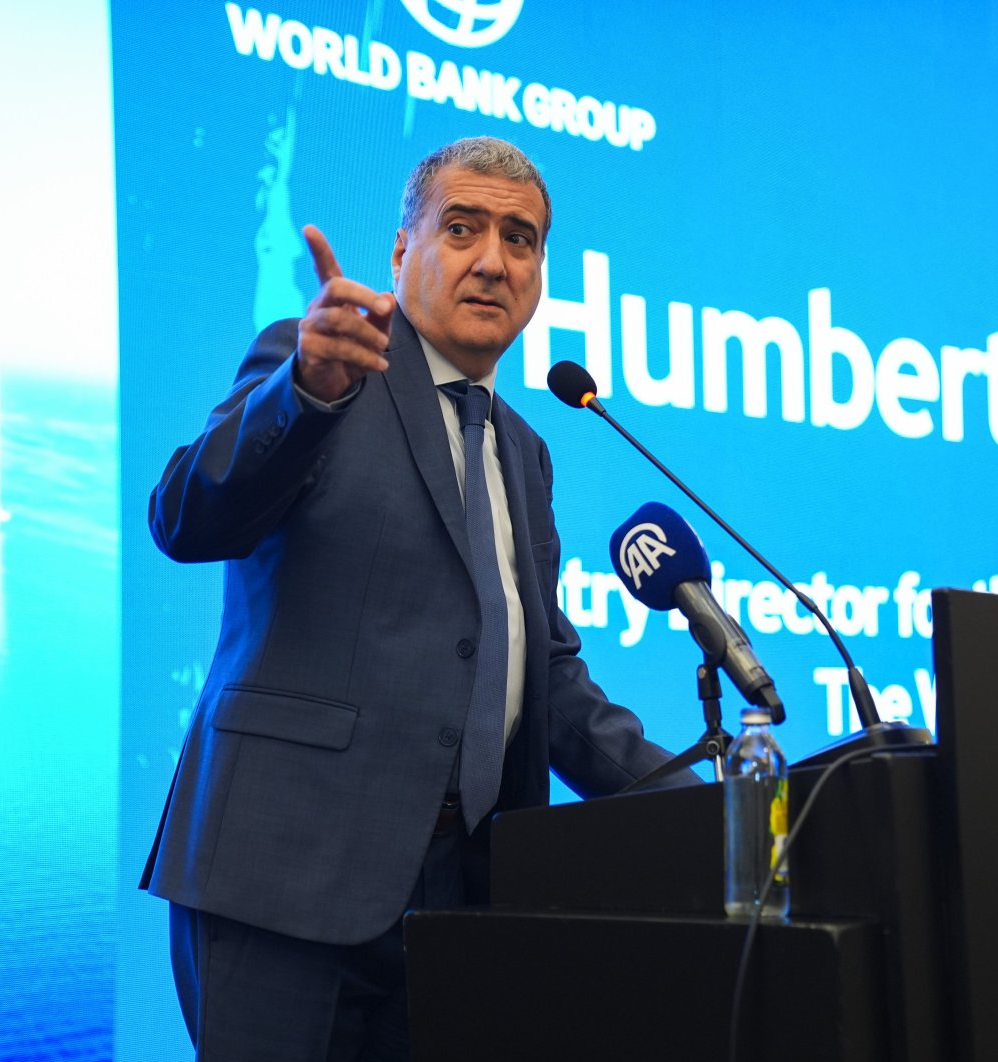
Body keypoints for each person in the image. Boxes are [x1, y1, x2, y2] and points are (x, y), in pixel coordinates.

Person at [139, 136, 690, 1060]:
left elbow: (542, 674)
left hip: (458, 903)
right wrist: (304, 392)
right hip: (284, 883)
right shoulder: (318, 366)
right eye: (462, 229)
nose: (492, 260)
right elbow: (186, 518)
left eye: (520, 240)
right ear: (402, 254)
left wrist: (696, 802)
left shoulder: (525, 448)